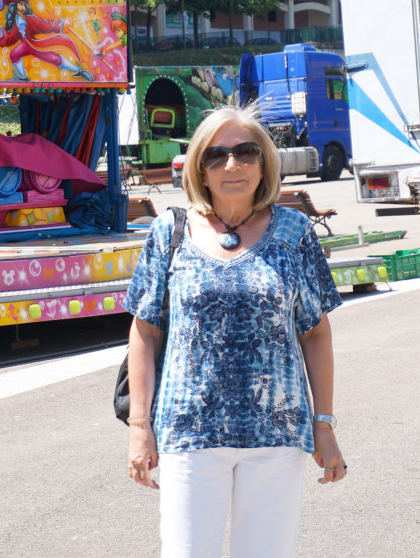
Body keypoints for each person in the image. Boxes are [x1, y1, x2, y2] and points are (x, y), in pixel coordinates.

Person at [123, 104, 347, 557]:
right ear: (198, 169)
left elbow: (316, 333)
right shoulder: (169, 232)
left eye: (246, 152)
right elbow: (144, 333)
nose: (232, 165)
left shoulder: (294, 232)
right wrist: (139, 427)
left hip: (277, 433)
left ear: (264, 163)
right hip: (189, 431)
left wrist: (324, 425)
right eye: (216, 155)